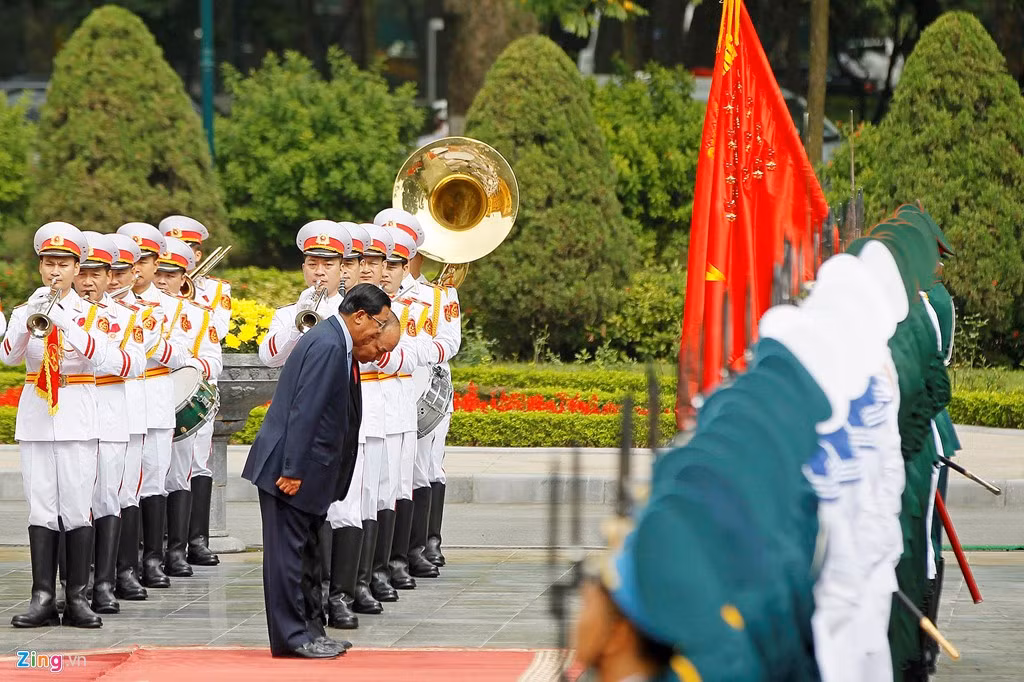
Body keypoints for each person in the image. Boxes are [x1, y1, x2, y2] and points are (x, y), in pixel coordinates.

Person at [241, 283, 394, 659]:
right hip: (290, 470)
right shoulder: (327, 344)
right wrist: (292, 468)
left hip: (309, 469)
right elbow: (304, 411)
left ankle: (311, 630)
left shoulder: (335, 342)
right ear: (360, 316)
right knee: (287, 559)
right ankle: (293, 638)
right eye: (379, 323)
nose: (378, 332)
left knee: (307, 555)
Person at [1, 222, 120, 629]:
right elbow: (10, 358)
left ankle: (78, 596)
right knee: (41, 507)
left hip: (76, 412)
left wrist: (64, 320)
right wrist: (27, 316)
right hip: (37, 414)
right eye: (49, 263)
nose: (55, 271)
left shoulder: (91, 314)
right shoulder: (25, 310)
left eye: (63, 264)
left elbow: (103, 358)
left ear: (75, 268)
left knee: (75, 506)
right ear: (40, 267)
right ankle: (42, 597)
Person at [257, 220, 356, 634]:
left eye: (328, 264)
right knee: (304, 522)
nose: (320, 272)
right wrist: (300, 322)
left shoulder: (351, 312)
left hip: (332, 424)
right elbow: (268, 357)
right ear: (303, 267)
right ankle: (309, 610)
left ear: (341, 269)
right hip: (300, 425)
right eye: (313, 264)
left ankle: (338, 594)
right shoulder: (289, 313)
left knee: (339, 512)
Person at [378, 207, 462, 570]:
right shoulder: (368, 294)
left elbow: (450, 343)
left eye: (394, 256)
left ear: (411, 255)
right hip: (383, 390)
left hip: (426, 389)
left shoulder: (439, 296)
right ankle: (396, 551)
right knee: (389, 472)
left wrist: (413, 355)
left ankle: (426, 542)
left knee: (425, 467)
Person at [115, 222, 192, 589]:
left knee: (155, 482)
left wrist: (148, 344)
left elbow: (181, 354)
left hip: (156, 399)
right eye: (132, 259)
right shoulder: (105, 306)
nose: (138, 267)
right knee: (122, 487)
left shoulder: (170, 307)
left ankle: (153, 559)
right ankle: (123, 566)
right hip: (121, 403)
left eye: (145, 259)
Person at [73, 232, 145, 615]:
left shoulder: (125, 318)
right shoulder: (58, 311)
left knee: (107, 498)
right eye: (82, 272)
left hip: (112, 416)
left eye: (98, 273)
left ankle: (103, 583)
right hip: (70, 418)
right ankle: (72, 585)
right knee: (70, 504)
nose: (89, 281)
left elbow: (132, 364)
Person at [159, 215, 232, 567]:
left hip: (195, 388)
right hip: (154, 389)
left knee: (195, 465)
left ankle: (195, 538)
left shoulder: (214, 292)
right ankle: (159, 544)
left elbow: (215, 333)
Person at [106, 233, 152, 601]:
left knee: (127, 493)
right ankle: (88, 575)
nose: (117, 279)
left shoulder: (143, 313)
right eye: (112, 271)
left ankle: (125, 569)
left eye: (122, 271)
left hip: (133, 410)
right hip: (94, 413)